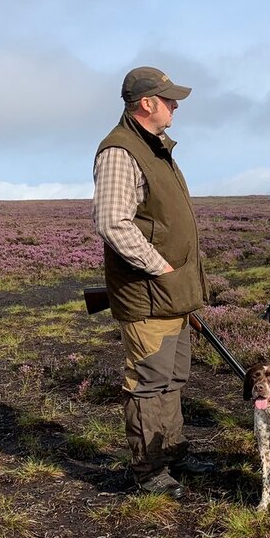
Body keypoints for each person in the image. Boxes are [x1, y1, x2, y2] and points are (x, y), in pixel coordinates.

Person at [92, 66, 214, 499]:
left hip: (171, 295)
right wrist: (159, 266)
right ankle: (149, 472)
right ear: (146, 103)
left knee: (173, 379)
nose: (175, 106)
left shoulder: (154, 147)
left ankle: (173, 453)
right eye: (169, 99)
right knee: (148, 382)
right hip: (147, 295)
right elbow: (112, 221)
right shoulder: (120, 151)